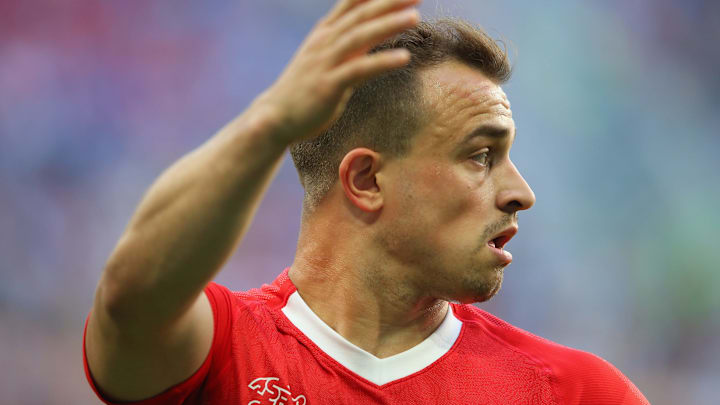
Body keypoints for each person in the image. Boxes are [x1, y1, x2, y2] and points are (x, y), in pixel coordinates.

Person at [83, 0, 650, 403]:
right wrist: (271, 122)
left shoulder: (578, 392)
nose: (520, 193)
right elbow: (127, 300)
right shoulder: (225, 352)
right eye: (480, 155)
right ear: (367, 180)